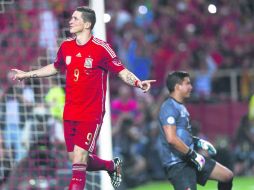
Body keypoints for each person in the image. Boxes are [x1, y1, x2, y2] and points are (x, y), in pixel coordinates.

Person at [12, 6, 156, 190]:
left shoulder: (102, 48)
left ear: (87, 24)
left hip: (91, 112)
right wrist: (27, 74)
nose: (70, 21)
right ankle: (111, 166)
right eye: (71, 18)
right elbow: (55, 67)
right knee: (75, 159)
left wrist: (138, 82)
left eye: (75, 18)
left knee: (79, 158)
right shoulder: (66, 46)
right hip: (70, 111)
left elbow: (121, 71)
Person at [158, 71, 233, 190]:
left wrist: (199, 142)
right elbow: (172, 139)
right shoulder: (168, 107)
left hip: (190, 159)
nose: (191, 87)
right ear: (178, 87)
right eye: (187, 83)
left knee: (227, 176)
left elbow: (182, 135)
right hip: (178, 165)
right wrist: (193, 155)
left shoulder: (181, 106)